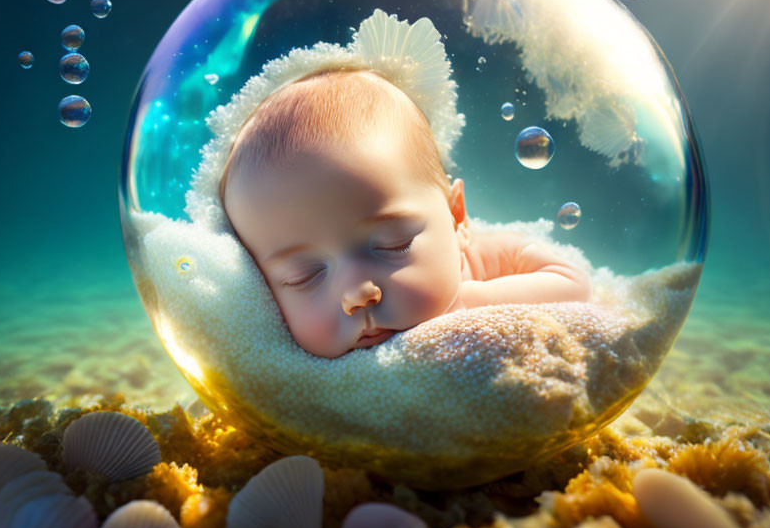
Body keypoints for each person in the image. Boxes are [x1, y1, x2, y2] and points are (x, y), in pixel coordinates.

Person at [219, 63, 591, 359]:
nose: (357, 294)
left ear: (455, 216)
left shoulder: (496, 256)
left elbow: (575, 286)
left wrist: (469, 305)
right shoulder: (295, 376)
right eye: (305, 276)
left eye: (393, 243)